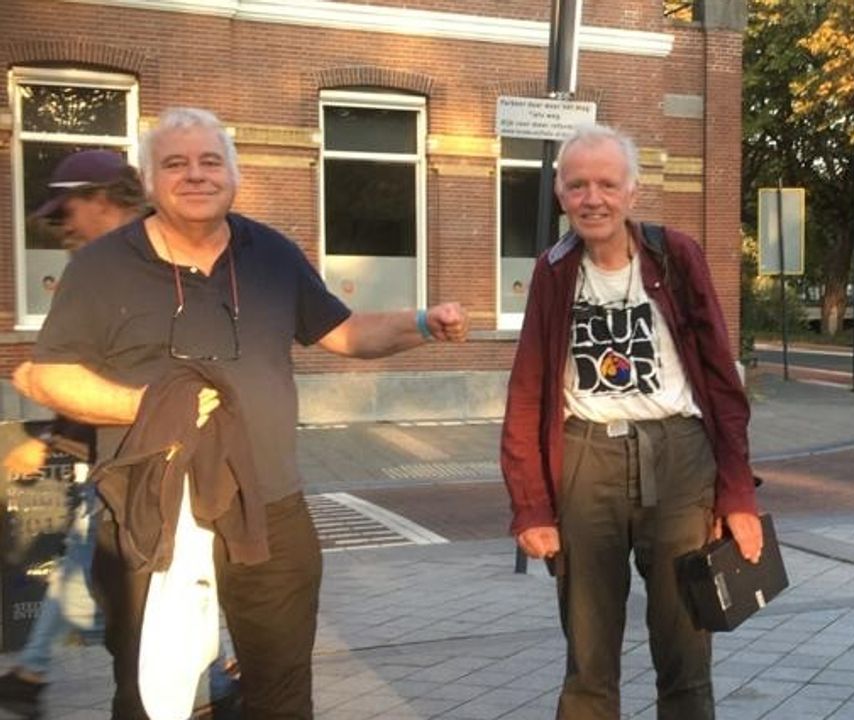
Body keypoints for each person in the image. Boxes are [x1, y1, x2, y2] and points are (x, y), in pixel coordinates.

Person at [21, 108, 468, 719]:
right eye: (175, 163)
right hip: (149, 515)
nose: (195, 175)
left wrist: (422, 323)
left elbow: (344, 332)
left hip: (269, 507)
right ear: (149, 181)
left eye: (211, 161)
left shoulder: (271, 253)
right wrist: (145, 406)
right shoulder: (102, 266)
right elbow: (48, 374)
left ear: (234, 175)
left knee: (282, 693)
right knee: (152, 696)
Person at [500, 123, 762, 720]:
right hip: (585, 457)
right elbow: (528, 390)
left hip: (679, 459)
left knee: (685, 650)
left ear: (633, 192)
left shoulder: (676, 255)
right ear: (560, 194)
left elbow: (722, 380)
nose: (592, 198)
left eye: (607, 184)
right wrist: (531, 506)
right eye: (577, 185)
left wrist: (737, 494)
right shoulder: (553, 271)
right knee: (589, 659)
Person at [1, 149, 237, 719]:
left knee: (138, 582)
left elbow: (135, 374)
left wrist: (49, 422)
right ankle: (212, 679)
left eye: (67, 212)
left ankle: (212, 681)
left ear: (103, 201)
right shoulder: (109, 266)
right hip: (118, 459)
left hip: (147, 461)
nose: (64, 229)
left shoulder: (150, 263)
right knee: (112, 572)